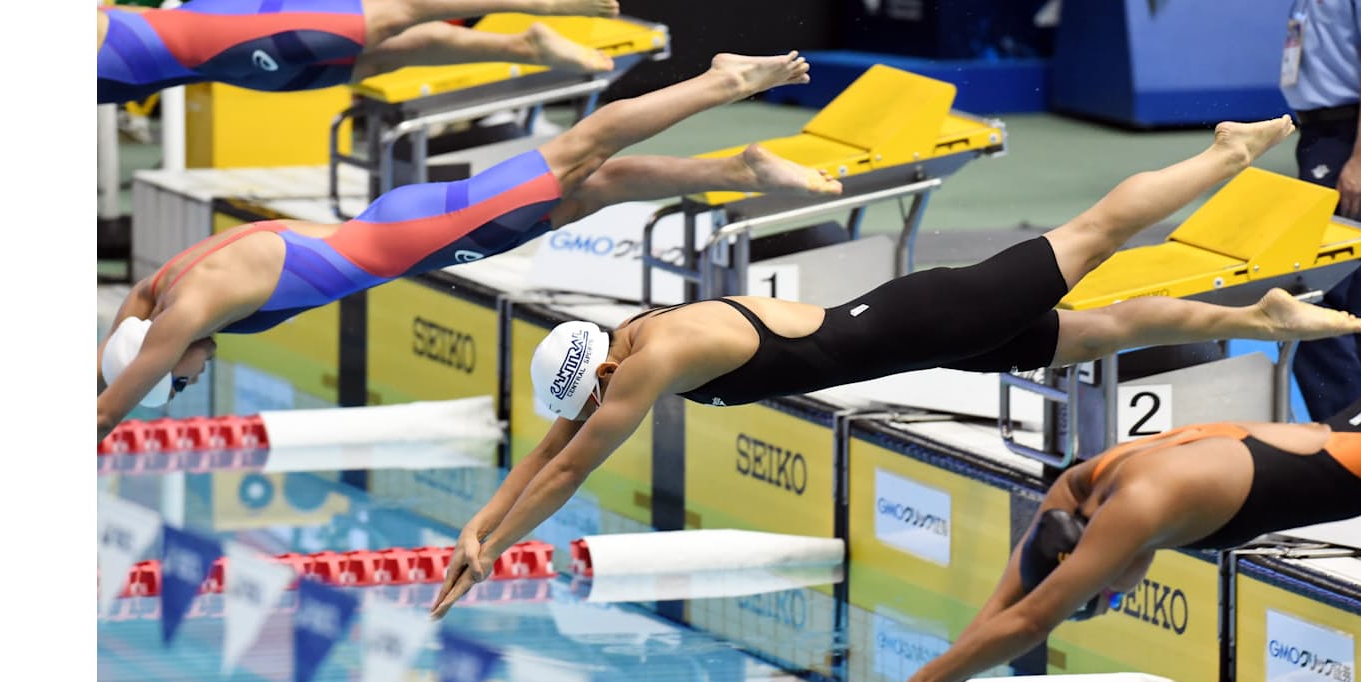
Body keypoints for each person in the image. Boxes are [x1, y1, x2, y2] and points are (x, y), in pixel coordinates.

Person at [427, 115, 1361, 621]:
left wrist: (499, 539)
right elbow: (559, 439)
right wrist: (482, 520)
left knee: (1091, 235)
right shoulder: (626, 345)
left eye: (590, 402)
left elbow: (568, 464)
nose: (594, 412)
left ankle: (1221, 155)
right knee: (1095, 333)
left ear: (598, 378)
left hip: (928, 316)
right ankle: (1259, 313)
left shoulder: (654, 359)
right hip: (918, 332)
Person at [97, 51, 840, 441]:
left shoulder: (187, 308)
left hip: (419, 237)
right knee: (589, 189)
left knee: (575, 154)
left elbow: (115, 399)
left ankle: (723, 81)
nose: (196, 371)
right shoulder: (166, 284)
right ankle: (737, 169)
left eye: (182, 378)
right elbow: (130, 327)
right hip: (406, 229)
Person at [861, 387, 1361, 682]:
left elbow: (1033, 618)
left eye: (1106, 593)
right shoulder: (1082, 483)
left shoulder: (1134, 509)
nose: (1116, 594)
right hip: (1357, 432)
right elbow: (1008, 599)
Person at [97, 0, 622, 105]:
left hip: (215, 36)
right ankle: (527, 46)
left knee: (398, 8)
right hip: (205, 52)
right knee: (387, 55)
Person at [1279, 0, 1361, 421]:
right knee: (1353, 302)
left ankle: (1349, 439)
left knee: (1314, 298)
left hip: (1348, 139)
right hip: (1323, 137)